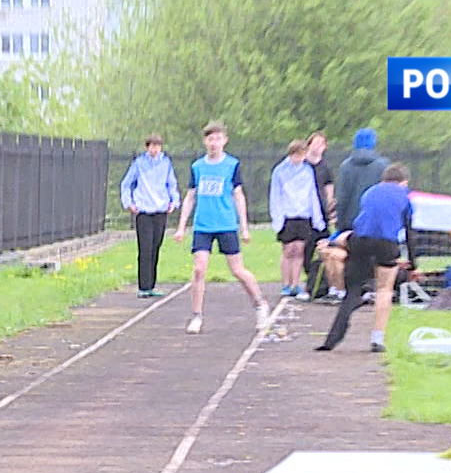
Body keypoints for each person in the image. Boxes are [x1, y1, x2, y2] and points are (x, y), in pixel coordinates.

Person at [172, 121, 271, 335]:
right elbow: (190, 196)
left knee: (237, 270)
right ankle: (197, 315)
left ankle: (260, 304)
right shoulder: (197, 167)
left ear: (224, 140)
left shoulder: (232, 165)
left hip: (226, 224)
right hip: (203, 225)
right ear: (205, 142)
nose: (214, 143)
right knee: (199, 269)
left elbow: (238, 196)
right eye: (210, 139)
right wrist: (181, 227)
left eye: (218, 138)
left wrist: (244, 227)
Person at [317, 163, 413, 353]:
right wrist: (413, 264)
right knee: (384, 290)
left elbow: (362, 218)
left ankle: (332, 338)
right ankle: (377, 338)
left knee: (352, 291)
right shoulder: (405, 196)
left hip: (360, 241)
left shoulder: (370, 192)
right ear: (404, 182)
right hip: (386, 243)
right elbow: (409, 231)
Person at [120, 135, 179, 298]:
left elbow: (171, 184)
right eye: (152, 146)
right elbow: (126, 184)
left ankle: (151, 285)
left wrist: (174, 201)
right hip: (144, 211)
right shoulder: (139, 163)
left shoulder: (166, 163)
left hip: (160, 210)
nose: (155, 149)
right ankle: (143, 286)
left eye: (158, 146)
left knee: (155, 247)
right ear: (147, 147)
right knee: (145, 248)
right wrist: (129, 203)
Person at [269, 139, 326, 301]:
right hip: (287, 216)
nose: (299, 159)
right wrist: (277, 218)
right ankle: (286, 284)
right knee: (288, 250)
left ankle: (295, 284)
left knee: (299, 250)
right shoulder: (280, 171)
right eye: (297, 155)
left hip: (303, 216)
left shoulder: (308, 171)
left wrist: (317, 219)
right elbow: (275, 195)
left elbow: (312, 194)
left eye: (302, 155)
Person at [333, 127, 389, 236]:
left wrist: (340, 224)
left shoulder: (346, 167)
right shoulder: (383, 166)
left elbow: (342, 197)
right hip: (376, 224)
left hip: (351, 224)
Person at [301, 131, 335, 300]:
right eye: (315, 143)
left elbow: (329, 187)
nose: (317, 146)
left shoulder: (325, 166)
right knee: (305, 248)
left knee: (325, 245)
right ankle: (309, 277)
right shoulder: (302, 164)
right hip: (305, 211)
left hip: (321, 212)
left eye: (321, 143)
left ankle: (325, 280)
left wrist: (329, 204)